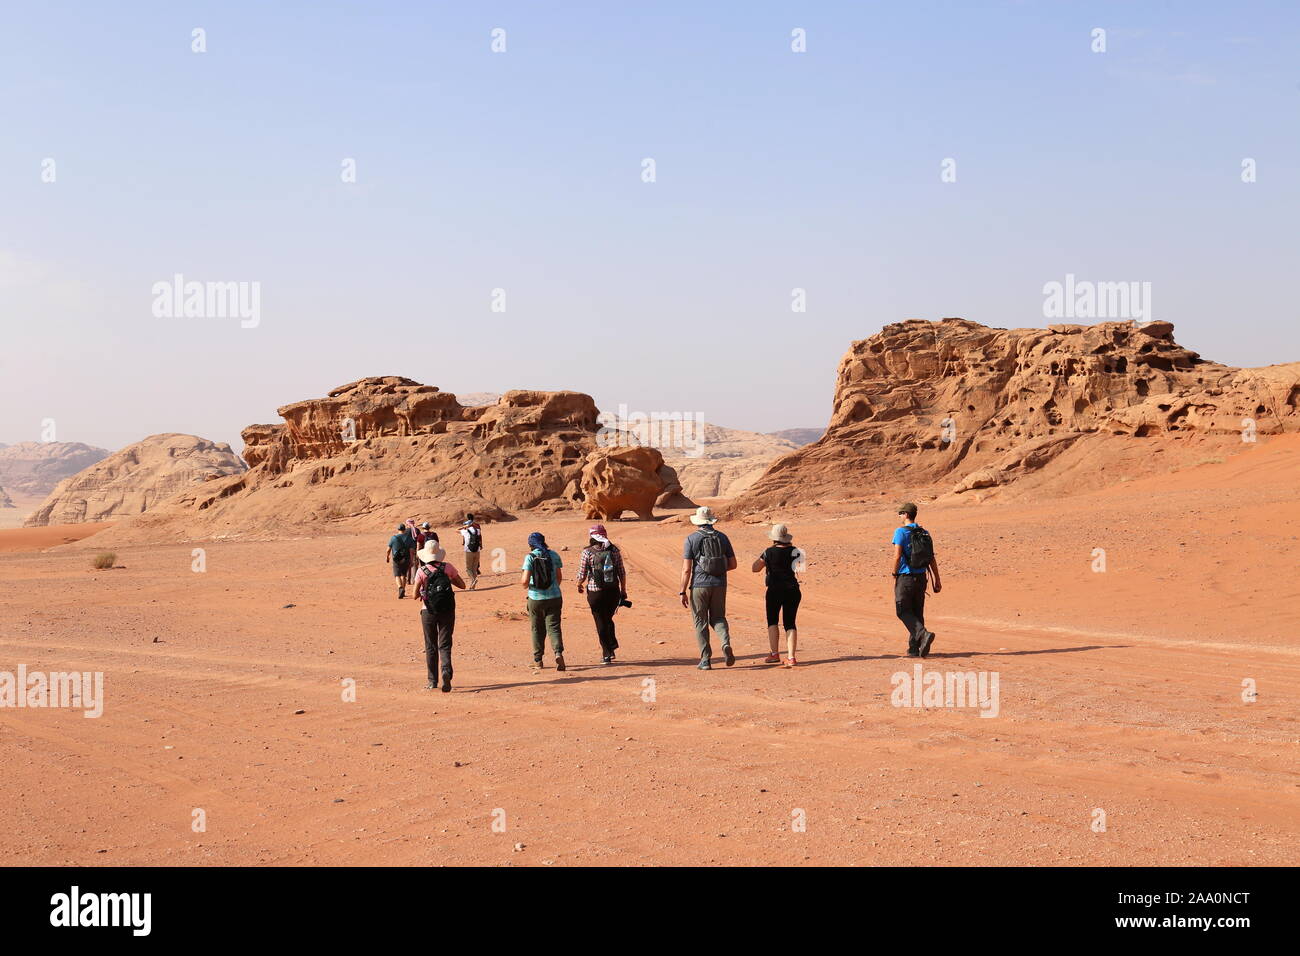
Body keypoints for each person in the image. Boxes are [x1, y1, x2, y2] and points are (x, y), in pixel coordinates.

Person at [679, 505, 737, 670]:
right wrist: (717, 569)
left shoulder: (691, 539)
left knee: (700, 622)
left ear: (698, 521)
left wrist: (682, 590)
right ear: (711, 520)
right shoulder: (723, 537)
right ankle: (725, 643)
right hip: (720, 584)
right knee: (718, 618)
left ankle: (705, 660)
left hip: (699, 585)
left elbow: (686, 569)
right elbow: (733, 564)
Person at [413, 535, 467, 692]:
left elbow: (415, 594)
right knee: (445, 644)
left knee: (430, 646)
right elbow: (462, 585)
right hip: (447, 610)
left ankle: (432, 681)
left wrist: (425, 590)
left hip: (428, 611)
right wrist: (447, 580)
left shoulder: (421, 571)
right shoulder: (447, 567)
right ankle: (446, 671)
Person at [891, 502, 942, 657]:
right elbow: (931, 558)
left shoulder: (900, 532)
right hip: (921, 578)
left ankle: (923, 634)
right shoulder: (925, 532)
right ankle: (914, 648)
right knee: (917, 612)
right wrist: (937, 580)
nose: (899, 516)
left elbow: (897, 555)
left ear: (906, 515)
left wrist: (894, 572)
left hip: (906, 577)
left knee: (903, 610)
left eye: (900, 513)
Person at [751, 523, 803, 666]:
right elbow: (800, 567)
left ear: (774, 538)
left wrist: (769, 561)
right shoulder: (796, 551)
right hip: (792, 589)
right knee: (790, 622)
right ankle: (791, 657)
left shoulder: (768, 552)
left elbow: (755, 568)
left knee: (772, 620)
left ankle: (774, 654)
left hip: (775, 589)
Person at [576, 523, 627, 664]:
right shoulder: (615, 550)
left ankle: (607, 653)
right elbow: (622, 572)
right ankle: (611, 645)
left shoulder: (587, 552)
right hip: (613, 591)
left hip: (595, 592)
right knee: (608, 618)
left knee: (600, 621)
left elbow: (582, 573)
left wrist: (579, 584)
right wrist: (623, 590)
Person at [520, 531, 565, 670]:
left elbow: (524, 582)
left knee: (537, 629)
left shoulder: (530, 557)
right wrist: (552, 588)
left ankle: (538, 660)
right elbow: (559, 578)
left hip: (536, 598)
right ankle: (558, 652)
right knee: (554, 627)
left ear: (531, 544)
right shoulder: (553, 555)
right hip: (555, 597)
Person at [386, 523, 416, 599]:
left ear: (398, 529)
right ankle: (403, 589)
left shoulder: (393, 538)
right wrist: (412, 560)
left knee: (397, 575)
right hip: (406, 559)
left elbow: (388, 549)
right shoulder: (409, 538)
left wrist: (387, 557)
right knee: (404, 575)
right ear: (405, 529)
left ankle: (400, 587)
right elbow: (412, 551)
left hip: (396, 559)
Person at [460, 514, 484, 589]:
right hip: (477, 548)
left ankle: (473, 580)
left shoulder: (465, 531)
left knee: (468, 568)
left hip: (468, 549)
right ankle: (473, 586)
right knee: (474, 568)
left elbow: (458, 531)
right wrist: (481, 545)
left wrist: (464, 527)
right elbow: (480, 537)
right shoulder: (477, 527)